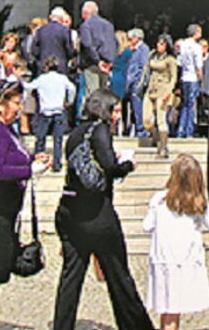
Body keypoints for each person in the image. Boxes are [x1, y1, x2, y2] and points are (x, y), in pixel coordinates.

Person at [53, 89, 152, 330]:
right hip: (97, 212)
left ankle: (62, 325)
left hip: (69, 208)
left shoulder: (75, 133)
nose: (117, 116)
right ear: (104, 110)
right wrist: (127, 164)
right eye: (115, 110)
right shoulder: (100, 129)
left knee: (71, 277)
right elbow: (109, 167)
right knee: (118, 274)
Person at [0, 80, 51, 326]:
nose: (19, 109)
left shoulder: (7, 130)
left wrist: (31, 159)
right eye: (16, 103)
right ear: (1, 104)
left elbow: (11, 158)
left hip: (6, 213)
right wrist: (29, 170)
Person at [143, 154, 209, 330]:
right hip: (185, 259)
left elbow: (147, 226)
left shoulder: (159, 199)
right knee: (173, 309)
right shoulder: (198, 203)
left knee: (167, 309)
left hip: (163, 258)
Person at [24, 56, 76, 168]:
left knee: (40, 138)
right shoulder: (62, 78)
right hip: (58, 109)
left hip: (45, 111)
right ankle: (57, 163)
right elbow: (72, 88)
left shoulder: (41, 79)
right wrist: (69, 101)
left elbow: (28, 87)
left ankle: (38, 160)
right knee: (58, 140)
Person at [142, 35, 177, 158]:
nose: (159, 46)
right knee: (147, 119)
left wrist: (169, 92)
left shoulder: (170, 59)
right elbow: (146, 71)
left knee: (161, 119)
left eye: (162, 44)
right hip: (151, 89)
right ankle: (155, 136)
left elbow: (173, 77)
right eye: (158, 43)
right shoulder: (152, 55)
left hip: (163, 90)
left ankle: (163, 147)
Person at [77, 0, 118, 95]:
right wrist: (111, 61)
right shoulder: (109, 25)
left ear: (85, 13)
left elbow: (87, 44)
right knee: (104, 94)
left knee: (92, 94)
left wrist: (97, 61)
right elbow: (116, 43)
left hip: (92, 64)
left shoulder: (86, 25)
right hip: (107, 64)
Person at [176, 24, 203, 139]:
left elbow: (180, 62)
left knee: (185, 105)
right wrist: (201, 78)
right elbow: (198, 65)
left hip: (184, 77)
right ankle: (189, 130)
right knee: (191, 105)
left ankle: (181, 130)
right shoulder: (196, 47)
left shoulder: (182, 45)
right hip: (193, 77)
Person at [31, 7, 75, 75]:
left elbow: (34, 50)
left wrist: (41, 58)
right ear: (61, 18)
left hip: (43, 65)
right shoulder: (65, 31)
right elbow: (69, 50)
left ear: (51, 17)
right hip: (60, 67)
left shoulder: (41, 30)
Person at [125, 29, 150, 138]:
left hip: (137, 82)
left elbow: (144, 67)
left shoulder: (143, 49)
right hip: (130, 82)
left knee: (138, 106)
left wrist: (141, 83)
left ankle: (141, 128)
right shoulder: (133, 49)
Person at [110, 31, 132, 133]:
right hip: (123, 78)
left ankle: (113, 125)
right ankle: (124, 127)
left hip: (114, 78)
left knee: (114, 104)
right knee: (124, 104)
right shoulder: (128, 52)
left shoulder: (113, 52)